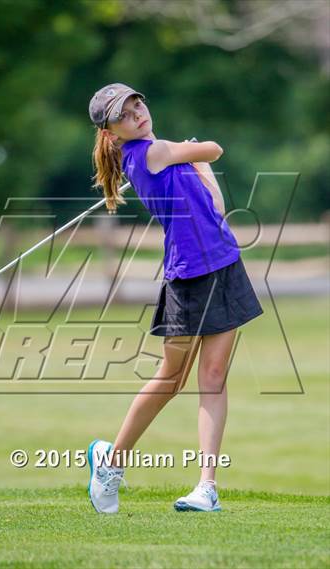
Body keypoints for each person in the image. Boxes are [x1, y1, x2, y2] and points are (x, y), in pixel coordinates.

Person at [86, 83, 264, 514]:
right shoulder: (149, 153)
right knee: (171, 379)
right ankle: (111, 463)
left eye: (138, 104)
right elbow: (216, 148)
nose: (138, 114)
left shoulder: (160, 152)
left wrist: (196, 162)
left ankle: (207, 487)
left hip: (223, 264)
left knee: (214, 376)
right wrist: (195, 150)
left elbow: (215, 207)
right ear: (111, 132)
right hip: (188, 275)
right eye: (125, 115)